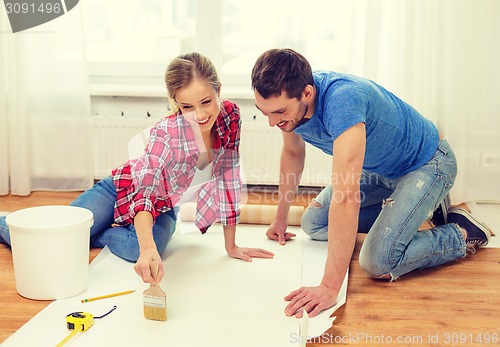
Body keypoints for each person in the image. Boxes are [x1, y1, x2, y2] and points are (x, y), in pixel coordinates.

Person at [251, 48, 491, 318]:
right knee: (314, 223)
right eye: (264, 112)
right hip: (380, 171)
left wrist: (329, 287)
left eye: (279, 112)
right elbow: (293, 153)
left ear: (307, 93)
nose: (272, 122)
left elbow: (346, 198)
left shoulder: (342, 101)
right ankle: (421, 210)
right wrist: (280, 218)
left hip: (428, 165)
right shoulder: (291, 111)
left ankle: (462, 231)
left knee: (378, 261)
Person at [0, 52, 273, 283]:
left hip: (163, 206)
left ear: (218, 90)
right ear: (174, 101)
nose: (200, 115)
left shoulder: (230, 117)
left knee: (134, 248)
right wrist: (148, 249)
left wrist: (231, 245)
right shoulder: (165, 133)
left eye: (206, 102)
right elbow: (144, 191)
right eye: (187, 106)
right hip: (118, 190)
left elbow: (227, 178)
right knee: (53, 240)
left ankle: (91, 233)